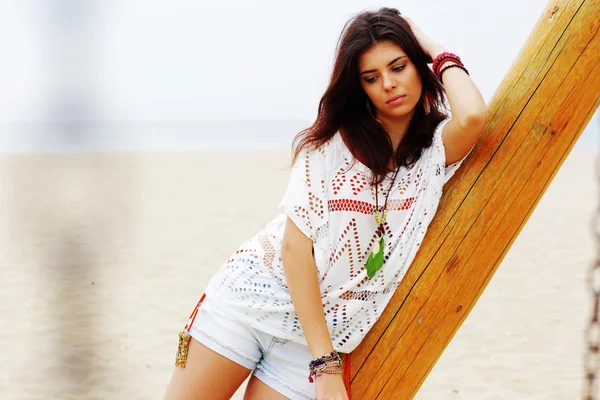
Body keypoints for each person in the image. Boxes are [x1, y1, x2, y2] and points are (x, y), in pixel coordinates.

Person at [163, 7, 487, 400]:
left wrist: (432, 47)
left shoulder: (433, 153)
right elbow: (294, 249)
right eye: (371, 77)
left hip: (319, 338)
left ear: (419, 66)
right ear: (359, 87)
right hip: (251, 300)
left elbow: (472, 116)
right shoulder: (331, 144)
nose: (388, 84)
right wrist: (326, 365)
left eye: (399, 66)